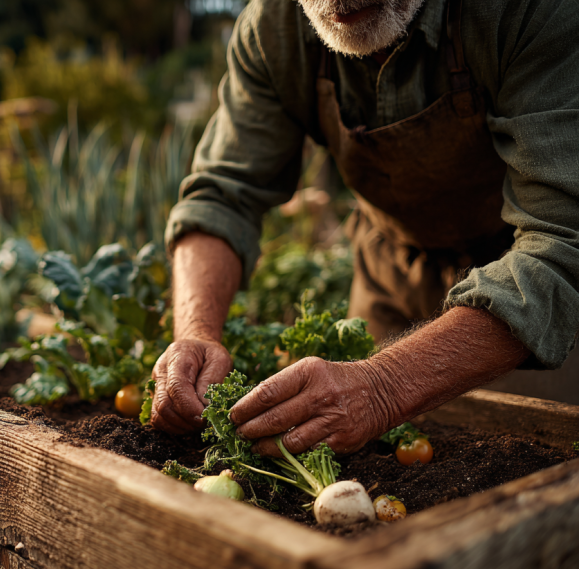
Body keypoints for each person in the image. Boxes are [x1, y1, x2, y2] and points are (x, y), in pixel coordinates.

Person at [150, 0, 579, 458]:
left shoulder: (531, 12)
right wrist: (195, 331)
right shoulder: (274, 27)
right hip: (389, 271)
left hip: (530, 288)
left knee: (537, 462)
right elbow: (222, 195)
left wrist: (382, 385)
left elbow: (561, 242)